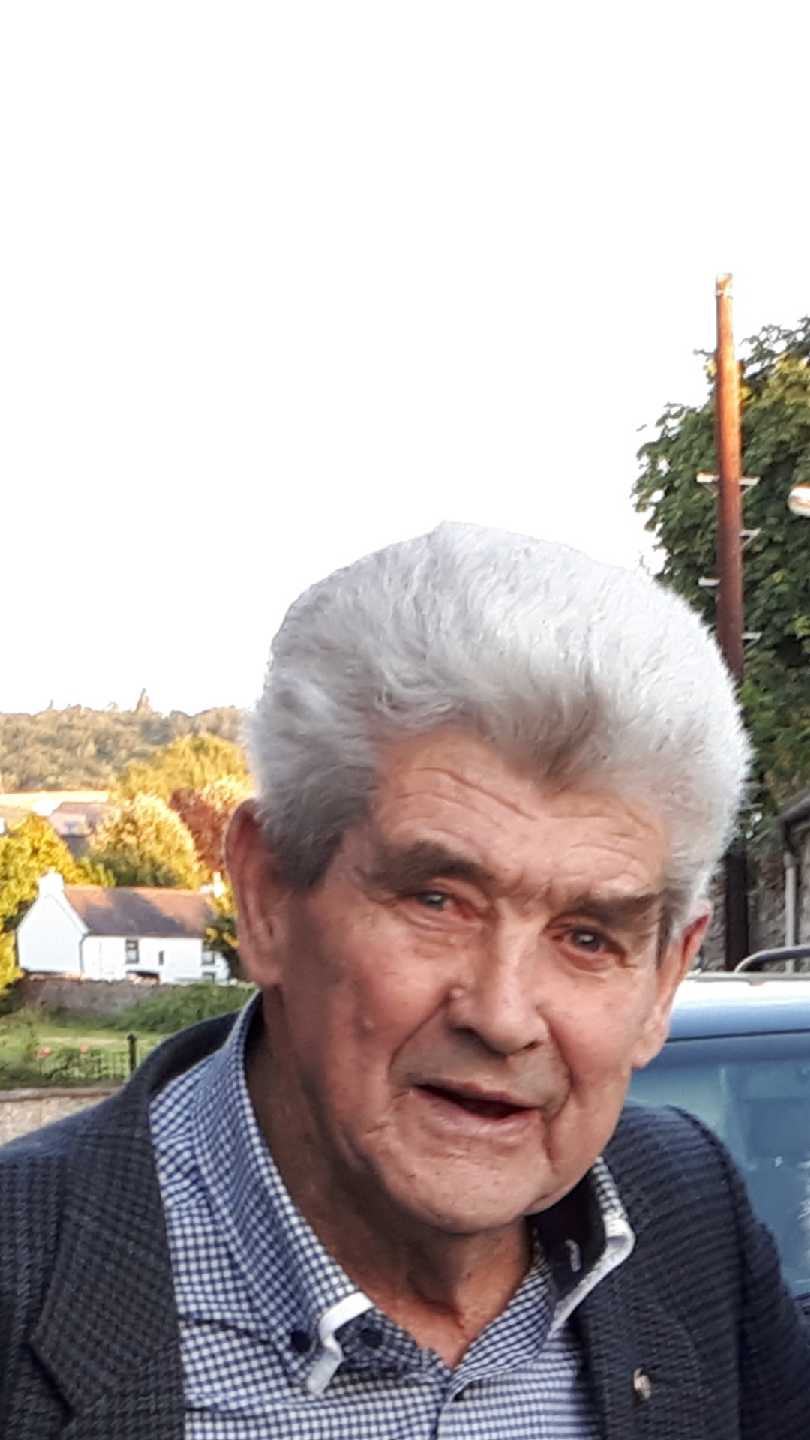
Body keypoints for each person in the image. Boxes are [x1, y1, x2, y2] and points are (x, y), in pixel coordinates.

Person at [1, 522, 808, 1440]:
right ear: (267, 896)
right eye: (437, 900)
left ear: (664, 980)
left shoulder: (686, 1211)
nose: (503, 1016)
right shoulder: (23, 1279)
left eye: (588, 937)